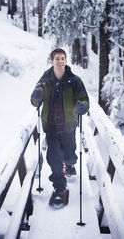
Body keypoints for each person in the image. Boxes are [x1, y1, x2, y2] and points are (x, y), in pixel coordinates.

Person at [31, 48, 89, 206]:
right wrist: (36, 96)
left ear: (65, 60)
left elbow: (84, 98)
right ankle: (60, 188)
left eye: (62, 58)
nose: (60, 61)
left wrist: (83, 106)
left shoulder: (74, 80)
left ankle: (69, 164)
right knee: (53, 156)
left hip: (68, 125)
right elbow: (35, 100)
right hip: (51, 126)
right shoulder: (44, 80)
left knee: (69, 153)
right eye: (57, 58)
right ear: (52, 61)